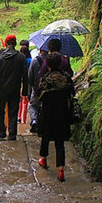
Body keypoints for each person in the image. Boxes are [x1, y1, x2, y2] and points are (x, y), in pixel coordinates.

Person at [36, 51, 76, 182]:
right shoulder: (66, 78)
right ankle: (61, 170)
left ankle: (43, 158)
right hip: (62, 113)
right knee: (60, 142)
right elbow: (72, 92)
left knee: (45, 137)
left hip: (48, 113)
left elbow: (38, 95)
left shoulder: (46, 79)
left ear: (47, 64)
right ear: (60, 63)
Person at [0, 34, 28, 141]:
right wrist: (25, 91)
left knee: (0, 110)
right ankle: (12, 134)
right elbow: (25, 76)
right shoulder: (21, 57)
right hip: (15, 90)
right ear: (15, 44)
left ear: (6, 44)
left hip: (2, 90)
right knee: (13, 111)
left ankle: (1, 133)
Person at [27, 45, 47, 132]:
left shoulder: (35, 60)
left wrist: (30, 87)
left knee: (33, 105)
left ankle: (34, 120)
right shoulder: (52, 60)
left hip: (36, 87)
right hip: (48, 88)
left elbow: (30, 75)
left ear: (40, 49)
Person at [18, 39, 32, 123]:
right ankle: (23, 119)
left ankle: (18, 117)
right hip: (27, 82)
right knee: (25, 101)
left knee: (19, 101)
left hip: (19, 82)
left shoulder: (18, 59)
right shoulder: (30, 61)